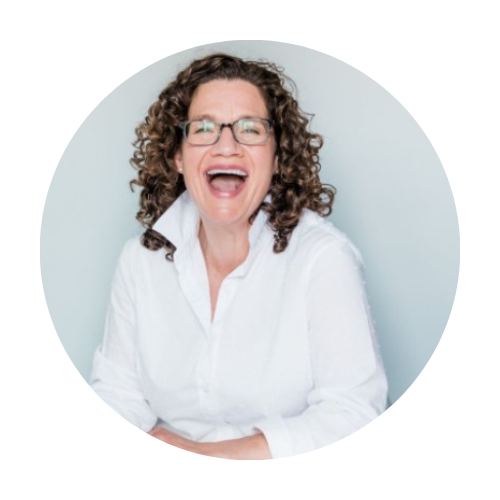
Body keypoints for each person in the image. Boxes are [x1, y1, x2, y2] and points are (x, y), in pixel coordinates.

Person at [89, 52, 388, 459]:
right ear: (178, 156)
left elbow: (354, 413)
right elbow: (118, 394)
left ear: (277, 157)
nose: (226, 146)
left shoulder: (323, 259)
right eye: (203, 128)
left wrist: (203, 452)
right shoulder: (140, 260)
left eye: (250, 129)